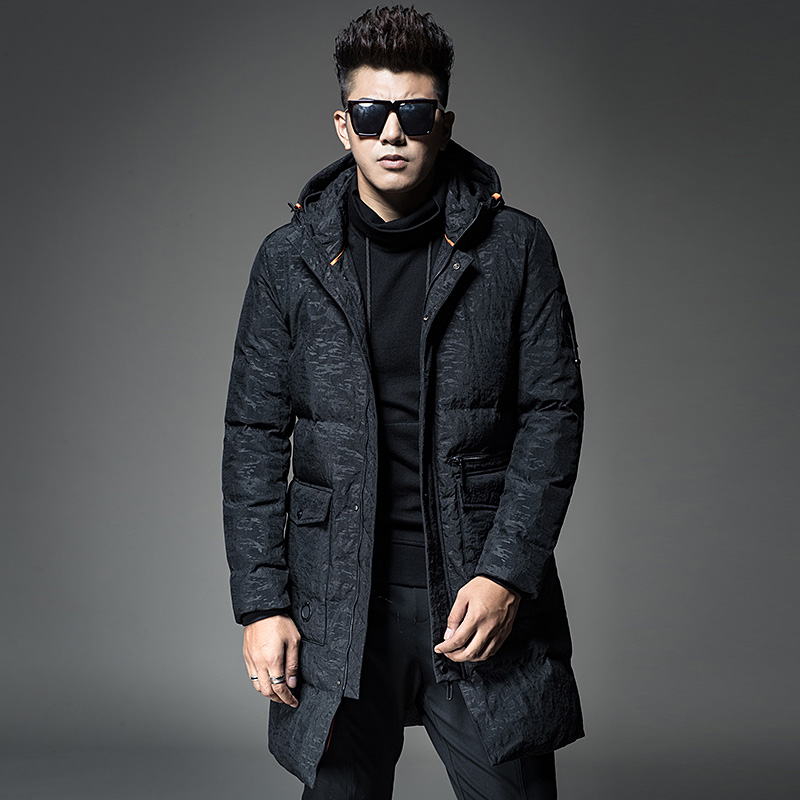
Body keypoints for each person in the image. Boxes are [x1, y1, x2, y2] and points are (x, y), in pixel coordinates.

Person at [222, 6, 585, 798]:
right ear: (343, 126)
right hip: (336, 608)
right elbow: (253, 434)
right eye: (371, 113)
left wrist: (507, 575)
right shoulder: (287, 262)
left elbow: (553, 418)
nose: (393, 132)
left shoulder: (516, 250)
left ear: (443, 125)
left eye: (415, 114)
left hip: (476, 600)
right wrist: (261, 605)